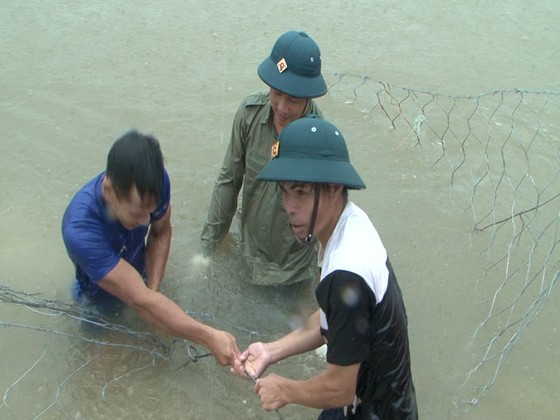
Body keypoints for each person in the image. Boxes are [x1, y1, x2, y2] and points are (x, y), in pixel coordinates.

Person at [232, 117, 418, 419]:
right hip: (383, 398)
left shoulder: (347, 271)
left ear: (333, 188)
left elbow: (339, 389)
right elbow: (333, 317)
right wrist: (271, 350)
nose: (289, 206)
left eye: (301, 193)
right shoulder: (350, 223)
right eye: (285, 191)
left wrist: (284, 389)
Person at [62, 130, 238, 366]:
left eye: (149, 210)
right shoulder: (81, 229)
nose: (145, 221)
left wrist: (153, 291)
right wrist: (210, 336)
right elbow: (139, 300)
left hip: (141, 284)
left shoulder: (154, 183)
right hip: (99, 299)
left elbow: (160, 231)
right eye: (136, 212)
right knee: (105, 368)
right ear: (108, 190)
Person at [200, 30, 328, 286]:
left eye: (292, 100)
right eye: (276, 93)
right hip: (246, 258)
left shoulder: (321, 139)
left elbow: (328, 213)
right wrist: (206, 249)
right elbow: (228, 181)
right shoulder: (249, 115)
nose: (281, 107)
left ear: (309, 95)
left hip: (293, 272)